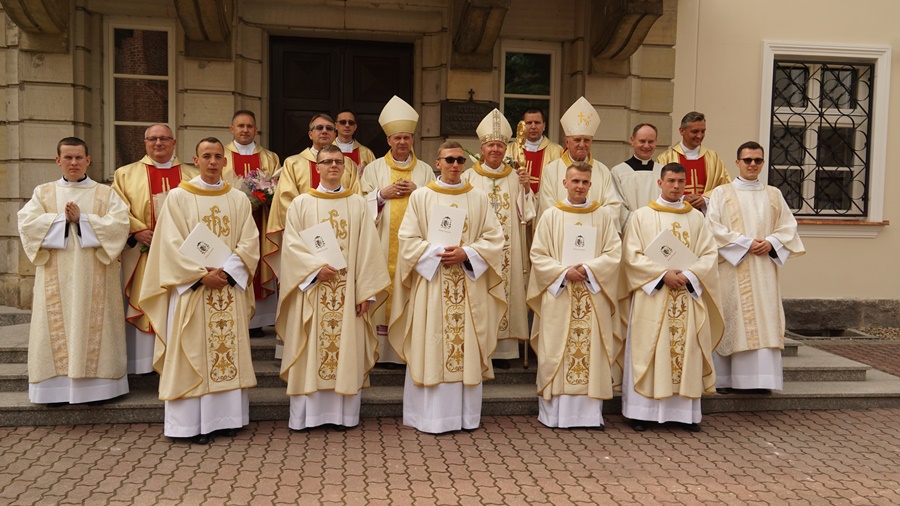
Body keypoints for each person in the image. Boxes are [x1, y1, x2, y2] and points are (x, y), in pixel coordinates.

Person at [139, 137, 259, 444]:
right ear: (196, 159)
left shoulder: (238, 199)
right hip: (192, 291)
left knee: (225, 351)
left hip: (228, 289)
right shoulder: (178, 198)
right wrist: (199, 275)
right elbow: (169, 245)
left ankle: (226, 419)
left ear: (225, 161)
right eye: (206, 155)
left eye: (218, 156)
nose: (213, 161)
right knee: (192, 352)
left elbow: (249, 241)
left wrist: (228, 271)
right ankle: (189, 425)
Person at [388, 141, 505, 434]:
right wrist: (435, 254)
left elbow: (495, 238)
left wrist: (468, 254)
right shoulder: (422, 197)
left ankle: (465, 418)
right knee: (432, 344)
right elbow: (408, 240)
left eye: (460, 160)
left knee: (464, 345)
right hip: (434, 283)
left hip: (468, 285)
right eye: (449, 160)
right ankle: (430, 418)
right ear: (437, 163)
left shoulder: (478, 198)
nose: (455, 165)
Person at [276, 145, 391, 430]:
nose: (333, 166)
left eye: (338, 162)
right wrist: (314, 270)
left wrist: (367, 292)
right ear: (317, 167)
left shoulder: (357, 204)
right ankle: (307, 417)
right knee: (310, 351)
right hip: (313, 291)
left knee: (345, 351)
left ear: (346, 167)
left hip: (348, 294)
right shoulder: (301, 203)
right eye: (326, 162)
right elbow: (291, 247)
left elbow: (369, 249)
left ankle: (343, 416)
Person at [18, 137, 131, 405]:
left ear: (88, 160)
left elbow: (120, 225)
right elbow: (26, 225)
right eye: (67, 157)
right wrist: (60, 219)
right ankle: (53, 391)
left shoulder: (106, 194)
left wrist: (84, 220)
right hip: (54, 277)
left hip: (96, 277)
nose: (73, 163)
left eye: (79, 157)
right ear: (58, 160)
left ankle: (100, 389)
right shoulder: (43, 193)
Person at [620, 162, 723, 432]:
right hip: (653, 296)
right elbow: (631, 257)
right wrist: (662, 275)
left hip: (685, 295)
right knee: (650, 350)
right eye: (671, 181)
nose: (676, 186)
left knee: (684, 351)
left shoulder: (696, 218)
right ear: (660, 182)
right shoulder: (642, 216)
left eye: (681, 181)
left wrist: (689, 276)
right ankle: (642, 413)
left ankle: (683, 414)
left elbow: (709, 255)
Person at [526, 161, 622, 429]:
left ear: (591, 185)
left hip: (592, 293)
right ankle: (554, 415)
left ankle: (589, 416)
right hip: (561, 293)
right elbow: (538, 254)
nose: (580, 186)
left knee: (591, 352)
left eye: (585, 182)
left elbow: (614, 253)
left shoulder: (603, 215)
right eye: (575, 181)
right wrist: (563, 273)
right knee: (556, 348)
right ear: (565, 183)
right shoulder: (551, 215)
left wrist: (589, 270)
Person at [706, 141, 805, 393]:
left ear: (762, 163)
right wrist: (745, 243)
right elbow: (712, 228)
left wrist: (771, 243)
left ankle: (762, 381)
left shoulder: (773, 194)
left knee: (764, 317)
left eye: (758, 160)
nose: (752, 164)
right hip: (732, 267)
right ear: (737, 162)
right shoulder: (721, 193)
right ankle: (728, 380)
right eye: (747, 160)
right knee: (734, 317)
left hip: (763, 269)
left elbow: (787, 226)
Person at [265, 114, 360, 357]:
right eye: (319, 127)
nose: (325, 131)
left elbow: (357, 202)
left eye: (330, 127)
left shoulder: (345, 164)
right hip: (306, 248)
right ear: (310, 133)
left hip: (344, 254)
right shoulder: (294, 163)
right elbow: (287, 203)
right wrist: (314, 247)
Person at [112, 124, 198, 375]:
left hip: (183, 255)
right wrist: (137, 230)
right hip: (143, 250)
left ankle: (179, 363)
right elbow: (117, 209)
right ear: (145, 142)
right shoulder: (125, 174)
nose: (158, 143)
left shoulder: (192, 176)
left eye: (164, 138)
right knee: (146, 299)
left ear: (173, 142)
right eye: (153, 139)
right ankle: (143, 363)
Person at [359, 96, 435, 365]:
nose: (402, 142)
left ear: (412, 139)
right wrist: (380, 194)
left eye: (407, 137)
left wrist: (421, 192)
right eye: (397, 138)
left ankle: (407, 352)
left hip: (414, 251)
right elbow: (359, 204)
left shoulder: (426, 171)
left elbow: (437, 207)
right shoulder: (373, 169)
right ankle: (381, 352)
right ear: (388, 140)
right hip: (381, 246)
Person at [462, 109, 535, 364]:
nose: (495, 149)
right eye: (491, 145)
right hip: (479, 251)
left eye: (500, 145)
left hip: (509, 251)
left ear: (506, 149)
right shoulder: (468, 177)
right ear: (482, 148)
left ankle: (507, 352)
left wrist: (526, 189)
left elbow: (527, 215)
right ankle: (481, 346)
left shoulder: (516, 177)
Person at [223, 110, 282, 336]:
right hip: (232, 222)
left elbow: (277, 186)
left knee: (258, 264)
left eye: (249, 126)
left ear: (256, 130)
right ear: (232, 129)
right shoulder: (222, 155)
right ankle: (235, 315)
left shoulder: (269, 157)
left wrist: (265, 197)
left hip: (261, 219)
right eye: (240, 126)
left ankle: (256, 322)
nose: (245, 130)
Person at [537, 97, 622, 223]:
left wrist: (590, 220)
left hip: (594, 233)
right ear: (567, 142)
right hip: (561, 233)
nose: (582, 144)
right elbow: (547, 208)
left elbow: (613, 206)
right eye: (577, 140)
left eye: (586, 140)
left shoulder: (602, 171)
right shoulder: (551, 170)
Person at [656, 111, 731, 213]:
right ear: (682, 131)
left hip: (705, 216)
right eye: (695, 131)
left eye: (703, 131)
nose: (699, 136)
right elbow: (658, 188)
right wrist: (681, 198)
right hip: (675, 213)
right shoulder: (665, 158)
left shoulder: (713, 158)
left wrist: (705, 199)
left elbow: (725, 186)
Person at [611, 123, 662, 228]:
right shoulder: (618, 172)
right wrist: (638, 224)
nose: (646, 146)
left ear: (656, 142)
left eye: (651, 141)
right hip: (631, 229)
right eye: (642, 141)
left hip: (658, 228)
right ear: (632, 140)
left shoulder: (662, 171)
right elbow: (618, 206)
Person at [505, 108, 564, 194]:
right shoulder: (510, 149)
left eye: (537, 123)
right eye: (529, 123)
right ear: (523, 126)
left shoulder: (557, 150)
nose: (533, 127)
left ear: (543, 126)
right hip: (516, 201)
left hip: (545, 203)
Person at [333, 109, 376, 174]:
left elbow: (374, 176)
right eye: (343, 122)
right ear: (336, 126)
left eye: (351, 123)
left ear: (355, 127)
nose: (347, 125)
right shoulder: (326, 150)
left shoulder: (366, 153)